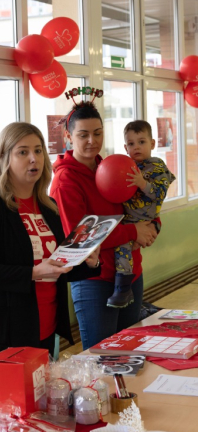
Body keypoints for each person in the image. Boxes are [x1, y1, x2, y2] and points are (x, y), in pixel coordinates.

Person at [0, 121, 101, 384]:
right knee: (9, 414)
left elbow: (56, 267)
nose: (33, 159)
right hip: (0, 332)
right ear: (5, 158)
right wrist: (33, 273)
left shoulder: (47, 207)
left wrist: (88, 262)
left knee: (39, 410)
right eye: (22, 152)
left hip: (44, 326)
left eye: (38, 151)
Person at [50, 101, 158, 350]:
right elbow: (80, 240)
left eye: (97, 133)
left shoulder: (110, 166)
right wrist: (133, 232)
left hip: (131, 273)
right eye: (83, 134)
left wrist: (151, 224)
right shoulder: (65, 180)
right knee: (103, 358)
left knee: (130, 353)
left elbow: (135, 203)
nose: (92, 140)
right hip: (94, 281)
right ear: (68, 136)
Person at [107, 120, 176, 308]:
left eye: (141, 142)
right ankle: (123, 288)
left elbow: (160, 194)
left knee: (123, 246)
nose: (136, 147)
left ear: (152, 144)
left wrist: (142, 183)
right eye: (131, 144)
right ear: (125, 147)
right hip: (129, 219)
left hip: (145, 218)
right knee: (122, 249)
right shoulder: (126, 165)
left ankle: (123, 288)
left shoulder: (157, 165)